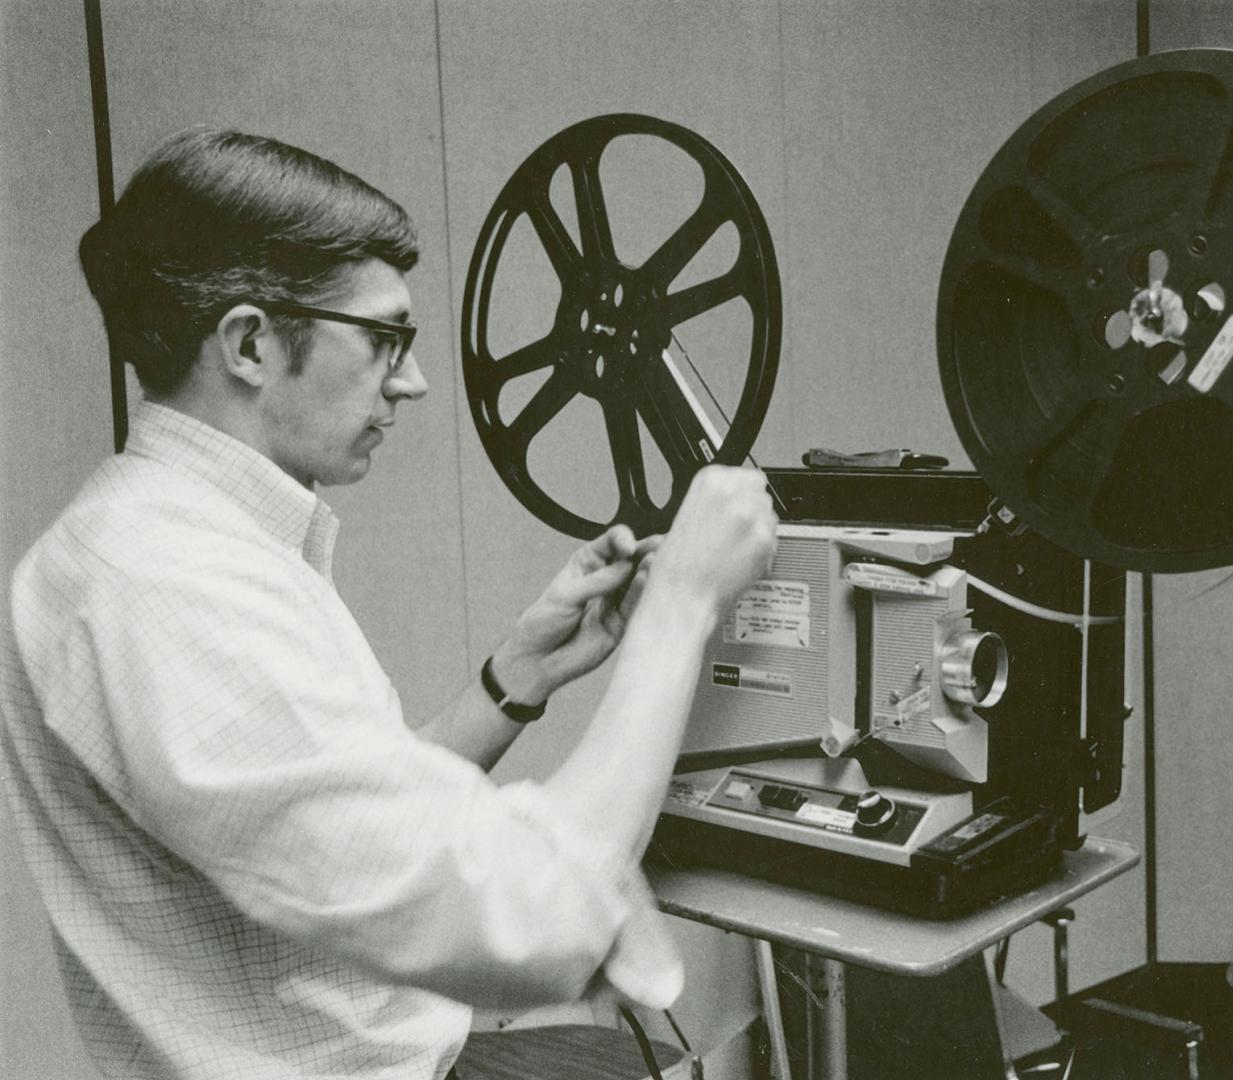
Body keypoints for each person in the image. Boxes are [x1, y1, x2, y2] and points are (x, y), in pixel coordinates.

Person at [0, 128, 778, 1080]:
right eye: (381, 341)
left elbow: (336, 844)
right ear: (248, 343)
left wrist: (512, 681)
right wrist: (684, 608)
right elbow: (529, 924)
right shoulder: (161, 588)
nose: (409, 382)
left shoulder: (175, 540)